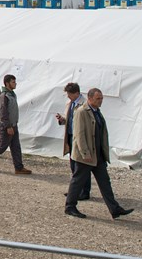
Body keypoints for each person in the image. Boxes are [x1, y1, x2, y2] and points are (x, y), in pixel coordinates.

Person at [64, 88, 134, 219]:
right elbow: (79, 135)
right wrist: (85, 153)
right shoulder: (81, 112)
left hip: (98, 155)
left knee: (104, 182)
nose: (101, 101)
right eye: (98, 98)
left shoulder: (97, 112)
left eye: (101, 98)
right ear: (90, 99)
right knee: (78, 181)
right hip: (87, 155)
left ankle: (114, 208)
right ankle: (70, 206)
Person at [55, 83, 89, 200]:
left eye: (69, 94)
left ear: (76, 93)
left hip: (79, 138)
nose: (68, 96)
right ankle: (75, 190)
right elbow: (68, 119)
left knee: (82, 166)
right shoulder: (70, 103)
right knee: (73, 164)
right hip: (70, 136)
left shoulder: (84, 104)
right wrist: (62, 119)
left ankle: (84, 191)